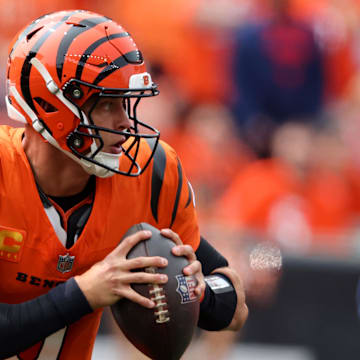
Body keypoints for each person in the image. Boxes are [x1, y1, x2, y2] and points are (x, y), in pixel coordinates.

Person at [0, 9, 248, 360]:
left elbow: (235, 307)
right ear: (50, 105)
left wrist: (197, 290)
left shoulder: (152, 175)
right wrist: (84, 293)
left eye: (125, 104)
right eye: (106, 105)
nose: (126, 124)